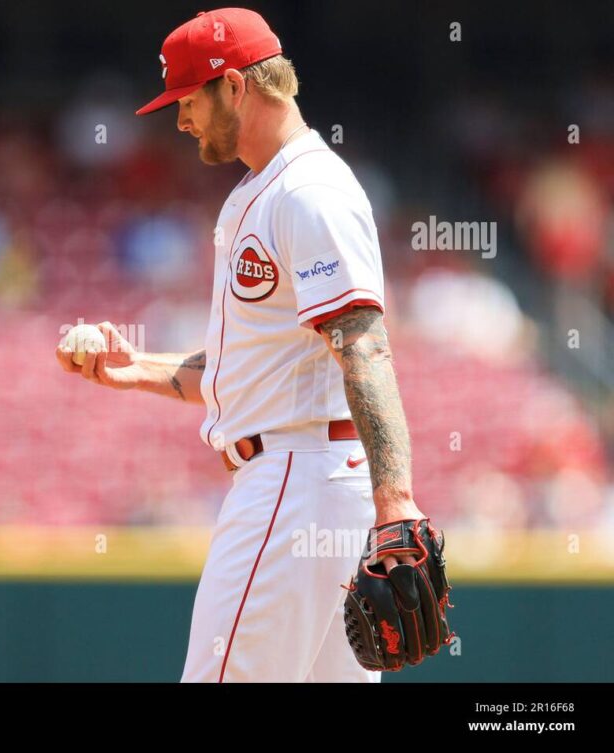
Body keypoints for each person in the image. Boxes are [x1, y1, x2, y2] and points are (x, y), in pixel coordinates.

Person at [56, 7, 425, 682]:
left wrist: (395, 498)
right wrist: (136, 367)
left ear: (234, 86)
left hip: (294, 480)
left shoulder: (308, 192)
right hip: (308, 475)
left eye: (187, 98)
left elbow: (364, 348)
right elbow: (251, 368)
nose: (180, 119)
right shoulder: (267, 189)